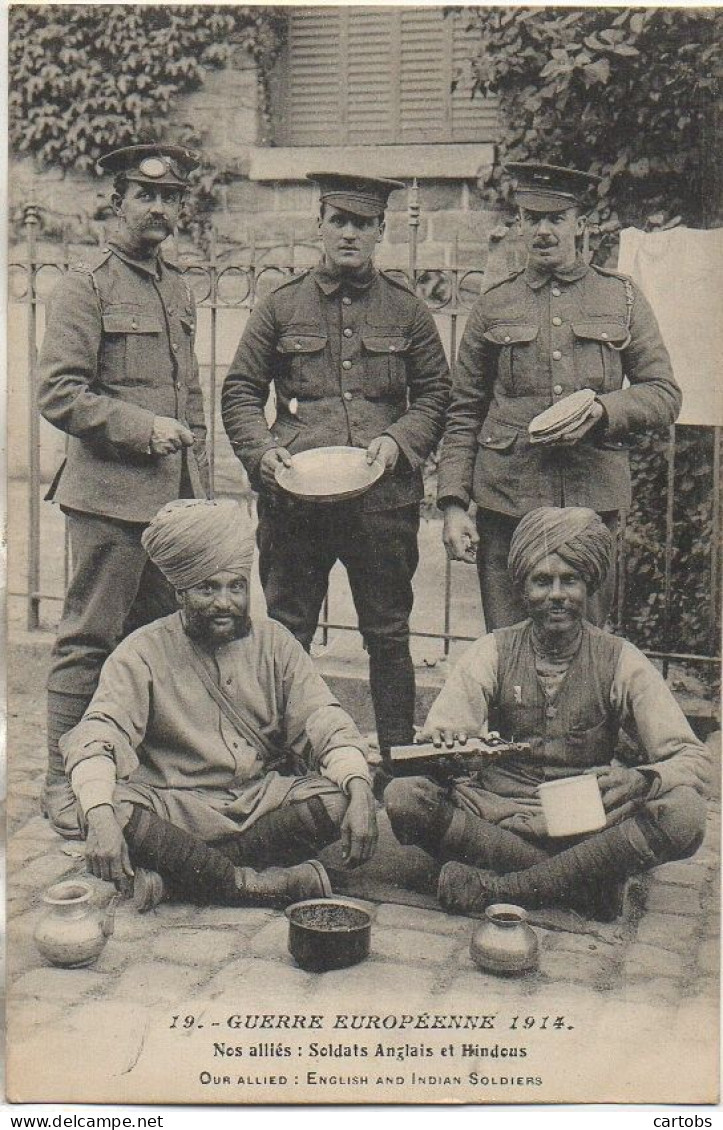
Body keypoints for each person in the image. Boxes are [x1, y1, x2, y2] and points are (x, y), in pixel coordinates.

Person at [384, 507, 709, 920]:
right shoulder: (492, 651)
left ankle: (504, 887)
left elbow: (694, 760)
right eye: (542, 581)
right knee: (404, 797)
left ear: (588, 585)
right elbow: (438, 742)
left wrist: (641, 779)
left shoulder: (621, 660)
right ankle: (582, 885)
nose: (556, 594)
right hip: (498, 814)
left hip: (588, 820)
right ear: (522, 588)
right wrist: (447, 758)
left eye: (569, 580)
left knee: (685, 813)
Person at [221, 173, 450, 756]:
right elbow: (241, 391)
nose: (350, 234)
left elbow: (435, 394)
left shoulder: (408, 311)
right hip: (296, 499)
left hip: (383, 503)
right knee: (287, 631)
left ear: (380, 230)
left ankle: (399, 760)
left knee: (388, 632)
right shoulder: (280, 307)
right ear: (319, 224)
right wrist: (264, 453)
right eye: (339, 221)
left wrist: (399, 441)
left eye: (363, 223)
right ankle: (284, 759)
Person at [59, 498, 377, 911]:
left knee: (337, 798)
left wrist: (360, 788)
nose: (224, 602)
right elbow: (99, 734)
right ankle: (259, 886)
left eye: (236, 587)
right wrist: (99, 816)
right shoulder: (141, 652)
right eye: (207, 588)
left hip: (259, 803)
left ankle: (182, 881)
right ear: (179, 593)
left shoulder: (276, 643)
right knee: (108, 809)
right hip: (177, 809)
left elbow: (323, 720)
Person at [37, 144, 210, 838]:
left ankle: (128, 768)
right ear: (118, 201)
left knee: (161, 641)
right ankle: (60, 781)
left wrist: (200, 489)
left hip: (170, 505)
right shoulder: (86, 285)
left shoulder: (177, 286)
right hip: (108, 499)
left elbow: (189, 395)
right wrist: (142, 429)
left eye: (170, 199)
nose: (159, 210)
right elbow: (59, 393)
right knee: (88, 640)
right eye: (146, 197)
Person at [439, 162, 681, 630]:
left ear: (580, 225)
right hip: (507, 502)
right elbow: (464, 409)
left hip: (590, 503)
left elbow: (664, 393)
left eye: (556, 218)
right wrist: (453, 504)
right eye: (531, 218)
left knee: (586, 647)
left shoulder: (622, 298)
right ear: (519, 225)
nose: (543, 231)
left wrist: (605, 410)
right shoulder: (494, 304)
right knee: (507, 648)